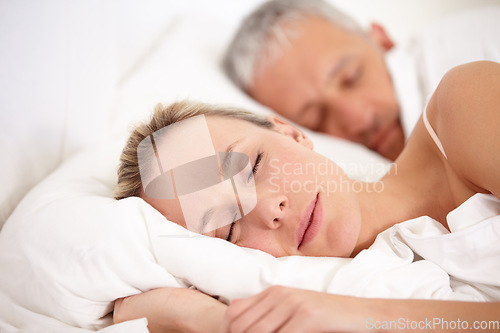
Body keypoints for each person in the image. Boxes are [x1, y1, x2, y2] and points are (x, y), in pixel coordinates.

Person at [113, 61, 500, 332]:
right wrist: (200, 319)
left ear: (290, 132)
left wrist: (364, 317)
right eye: (229, 229)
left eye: (254, 165)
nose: (268, 209)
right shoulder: (325, 299)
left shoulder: (461, 107)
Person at [222, 0, 500, 161]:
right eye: (317, 120)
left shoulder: (477, 44)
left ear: (382, 40)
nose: (357, 119)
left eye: (351, 78)